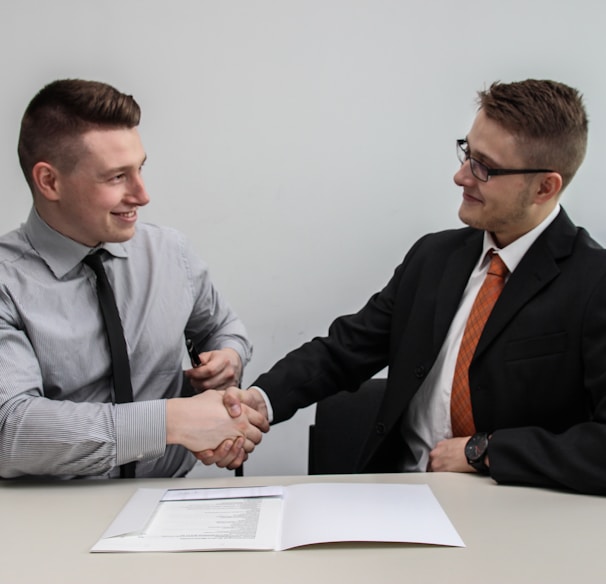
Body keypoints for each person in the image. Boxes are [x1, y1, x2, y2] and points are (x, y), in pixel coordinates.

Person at [207, 79, 606, 495]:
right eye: (467, 153)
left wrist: (483, 450)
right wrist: (260, 399)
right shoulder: (434, 258)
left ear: (546, 187)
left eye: (484, 166)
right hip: (401, 500)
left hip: (518, 518)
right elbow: (345, 350)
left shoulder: (594, 283)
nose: (461, 175)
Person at [0, 78, 268, 479]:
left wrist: (227, 358)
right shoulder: (5, 282)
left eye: (140, 169)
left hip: (169, 501)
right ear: (49, 182)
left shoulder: (171, 253)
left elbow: (223, 328)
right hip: (49, 518)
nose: (142, 195)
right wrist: (170, 421)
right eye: (116, 177)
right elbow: (11, 432)